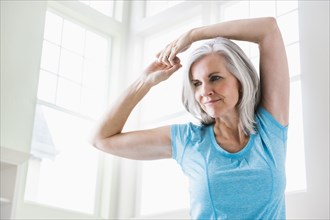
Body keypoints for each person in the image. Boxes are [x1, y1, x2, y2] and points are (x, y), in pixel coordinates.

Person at [91, 17, 289, 219]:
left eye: (215, 78)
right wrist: (144, 82)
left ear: (239, 79)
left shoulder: (269, 128)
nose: (205, 91)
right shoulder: (189, 140)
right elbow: (102, 139)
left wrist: (194, 35)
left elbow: (268, 29)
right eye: (196, 83)